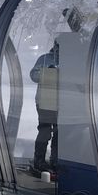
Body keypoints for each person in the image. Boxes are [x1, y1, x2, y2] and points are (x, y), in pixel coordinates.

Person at [29, 43, 59, 178]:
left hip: (63, 103)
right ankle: (39, 160)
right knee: (45, 131)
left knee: (59, 133)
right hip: (45, 102)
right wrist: (48, 72)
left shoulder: (72, 61)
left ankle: (56, 160)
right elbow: (33, 75)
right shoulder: (45, 59)